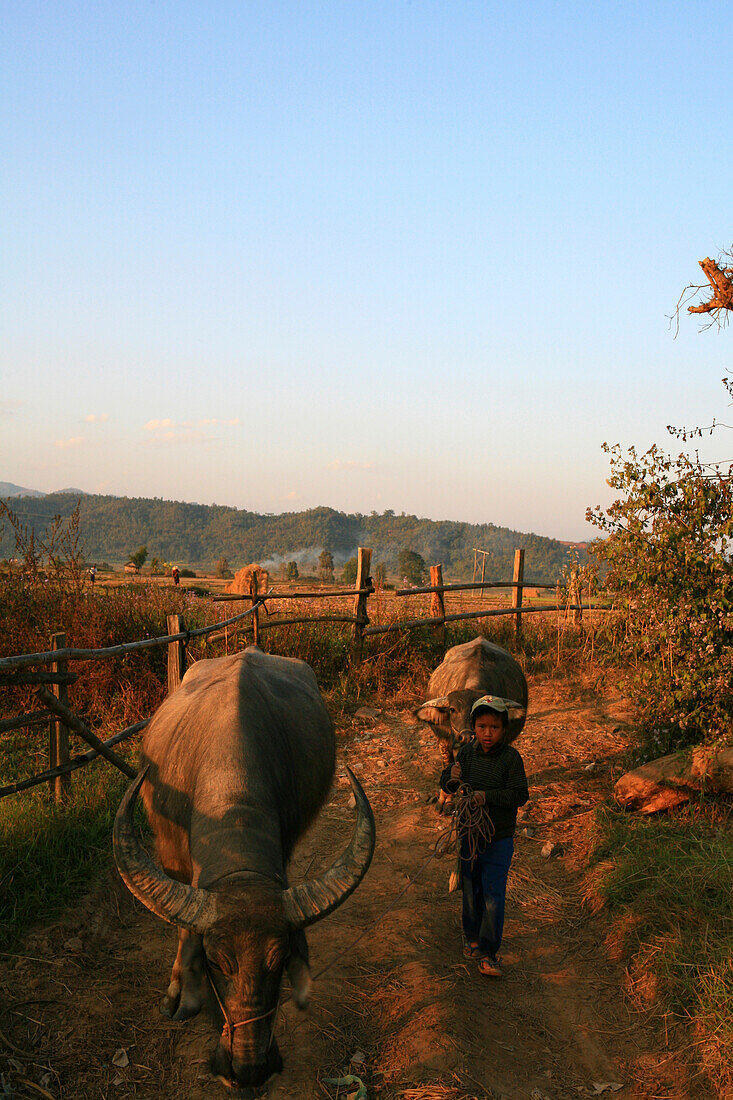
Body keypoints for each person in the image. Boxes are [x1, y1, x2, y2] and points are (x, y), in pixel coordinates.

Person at [440, 694, 529, 978]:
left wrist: (486, 797)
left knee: (492, 893)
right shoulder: (465, 754)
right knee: (470, 887)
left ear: (504, 730)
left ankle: (489, 953)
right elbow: (450, 785)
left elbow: (519, 795)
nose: (487, 733)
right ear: (474, 727)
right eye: (481, 727)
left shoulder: (511, 759)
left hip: (499, 838)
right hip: (469, 833)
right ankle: (472, 937)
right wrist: (450, 776)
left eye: (494, 727)